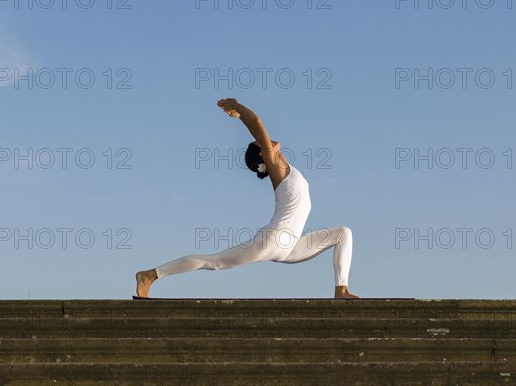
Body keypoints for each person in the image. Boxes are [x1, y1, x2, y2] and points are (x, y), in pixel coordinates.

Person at [136, 98, 360, 299]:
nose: (269, 140)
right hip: (272, 240)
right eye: (262, 143)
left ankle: (341, 289)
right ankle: (150, 275)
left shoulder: (283, 167)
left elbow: (257, 128)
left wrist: (241, 116)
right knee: (214, 262)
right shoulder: (275, 167)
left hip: (290, 247)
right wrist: (239, 107)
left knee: (343, 233)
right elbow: (258, 123)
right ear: (263, 154)